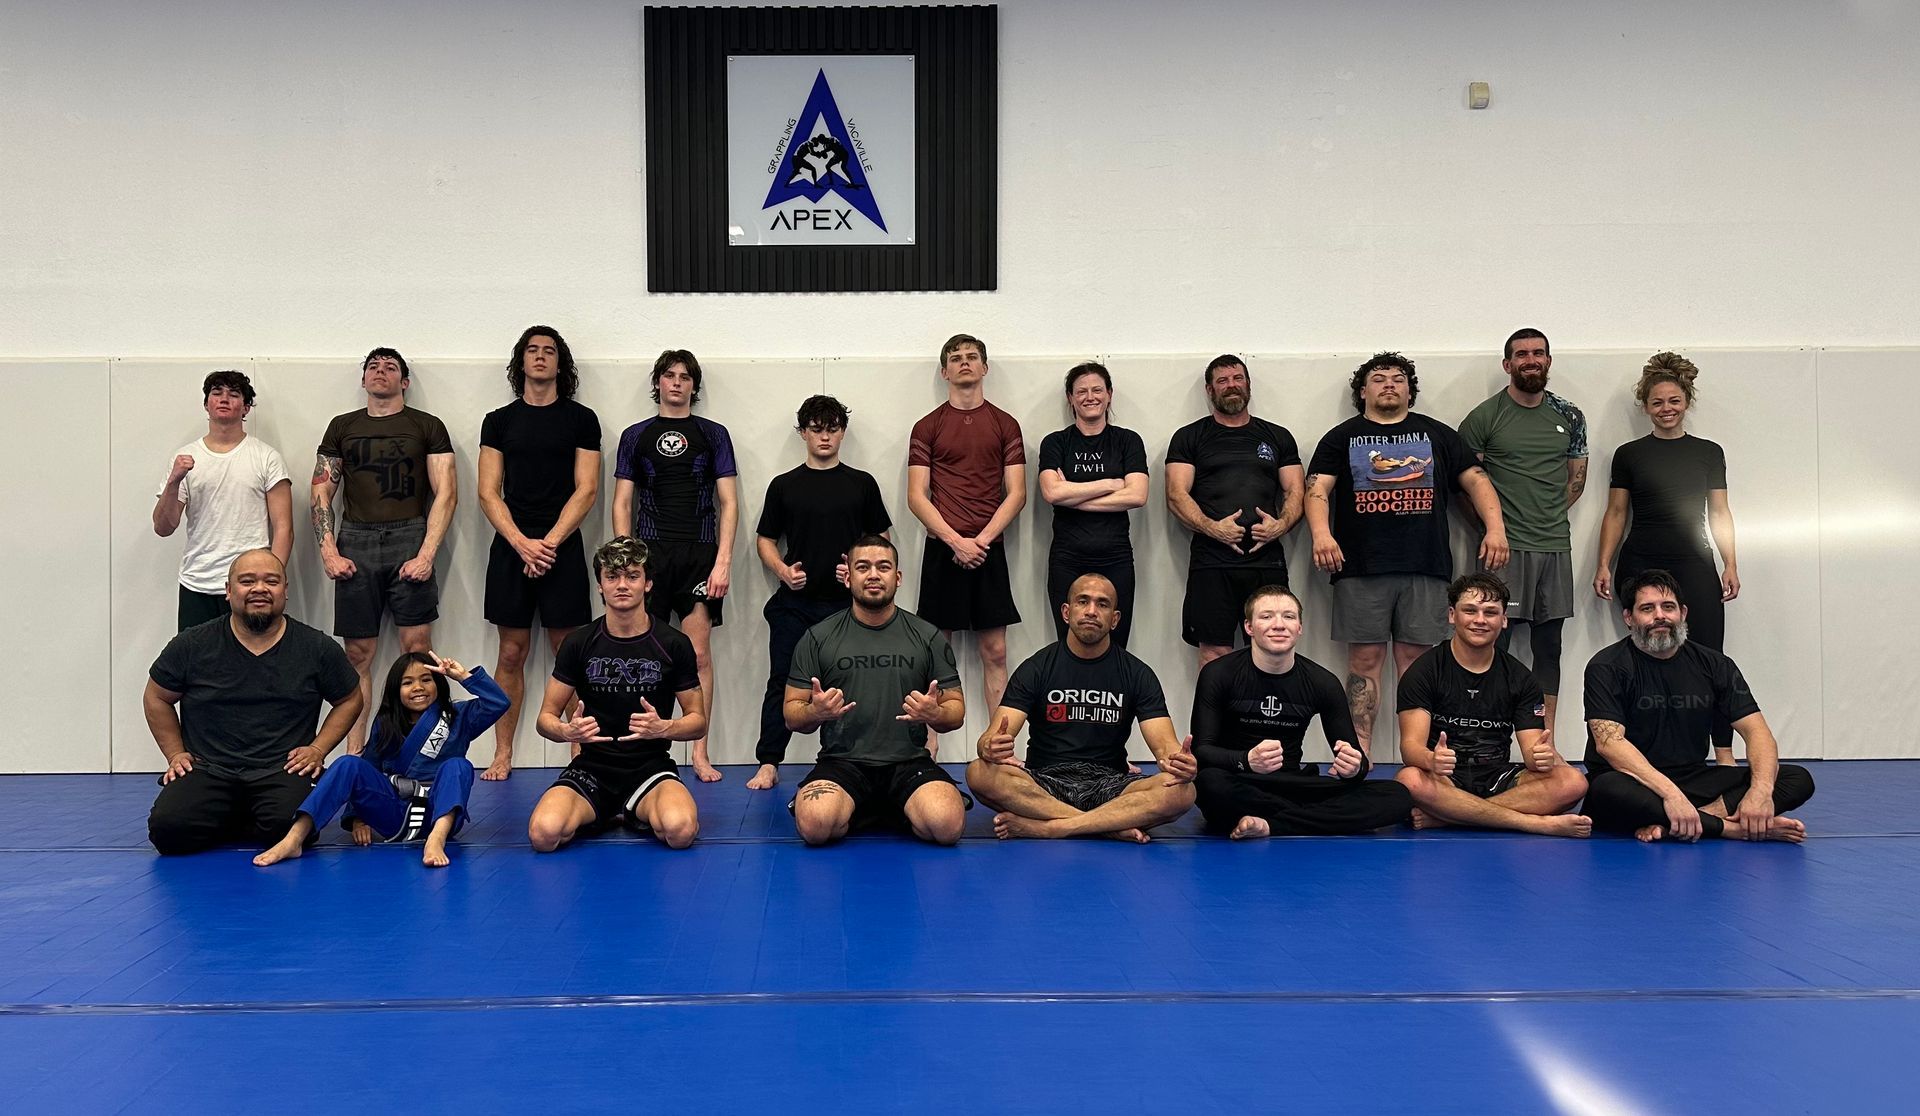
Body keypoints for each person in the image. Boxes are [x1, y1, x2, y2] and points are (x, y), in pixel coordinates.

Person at [1305, 352, 1509, 756]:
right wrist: (1321, 535)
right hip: (1360, 567)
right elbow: (1317, 488)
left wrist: (1496, 529)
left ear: (1409, 391)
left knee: (1418, 669)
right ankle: (1357, 757)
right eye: (1378, 379)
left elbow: (1476, 480)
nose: (1388, 385)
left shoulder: (1438, 434)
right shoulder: (1341, 437)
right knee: (1363, 666)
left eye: (1398, 379)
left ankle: (1418, 758)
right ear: (1363, 391)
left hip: (1425, 566)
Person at [144, 550, 363, 855]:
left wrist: (317, 749)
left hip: (282, 769)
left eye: (271, 581)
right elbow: (156, 696)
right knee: (168, 831)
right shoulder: (193, 644)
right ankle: (240, 815)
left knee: (290, 828)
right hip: (209, 768)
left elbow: (351, 698)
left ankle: (236, 817)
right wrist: (175, 754)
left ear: (285, 591)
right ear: (229, 591)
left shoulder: (316, 647)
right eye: (247, 581)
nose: (259, 589)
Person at [1582, 570, 1814, 843]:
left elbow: (1757, 732)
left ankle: (1688, 822)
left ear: (1683, 613)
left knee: (1796, 778)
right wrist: (1671, 795)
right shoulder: (1606, 666)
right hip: (1636, 782)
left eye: (1668, 607)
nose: (1660, 616)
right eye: (1647, 608)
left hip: (1694, 778)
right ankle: (1728, 828)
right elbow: (1610, 744)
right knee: (1606, 787)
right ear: (1629, 618)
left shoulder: (1716, 665)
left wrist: (1760, 793)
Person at [967, 573, 1196, 842]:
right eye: (1082, 601)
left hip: (1111, 785)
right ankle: (1106, 826)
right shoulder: (1036, 668)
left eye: (1102, 604)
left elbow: (1164, 747)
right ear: (1066, 612)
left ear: (1115, 619)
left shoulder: (1137, 674)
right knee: (979, 772)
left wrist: (1180, 763)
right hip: (1044, 781)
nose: (1091, 611)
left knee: (1183, 791)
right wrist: (989, 747)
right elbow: (989, 739)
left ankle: (1055, 827)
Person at [1594, 352, 1741, 765]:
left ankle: (1724, 753)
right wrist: (1603, 563)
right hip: (1640, 560)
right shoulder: (1629, 454)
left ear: (1687, 402)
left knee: (1711, 657)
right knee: (1643, 656)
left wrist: (1729, 563)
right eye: (1657, 403)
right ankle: (1643, 750)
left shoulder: (1709, 452)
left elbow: (1720, 513)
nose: (1666, 409)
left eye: (1674, 401)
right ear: (1645, 407)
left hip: (1695, 561)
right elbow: (1616, 513)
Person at [312, 347, 457, 753]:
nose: (381, 372)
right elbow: (322, 490)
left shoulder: (426, 425)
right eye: (373, 367)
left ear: (404, 382)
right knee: (358, 653)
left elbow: (446, 493)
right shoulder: (342, 426)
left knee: (417, 648)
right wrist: (328, 551)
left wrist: (427, 553)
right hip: (354, 540)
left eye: (390, 367)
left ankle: (420, 748)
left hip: (410, 535)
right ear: (363, 381)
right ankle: (355, 753)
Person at [784, 535, 969, 846]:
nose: (873, 575)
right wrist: (814, 712)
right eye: (863, 567)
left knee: (947, 826)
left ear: (897, 578)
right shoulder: (817, 637)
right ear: (848, 577)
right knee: (815, 826)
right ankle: (869, 807)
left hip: (908, 763)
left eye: (883, 567)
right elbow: (791, 713)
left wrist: (936, 713)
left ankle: (892, 806)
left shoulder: (927, 635)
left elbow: (957, 710)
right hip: (843, 763)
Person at [477, 326, 602, 780]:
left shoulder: (581, 419)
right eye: (532, 350)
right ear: (521, 362)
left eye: (549, 351)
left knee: (568, 651)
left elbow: (587, 490)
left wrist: (548, 543)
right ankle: (503, 751)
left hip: (561, 547)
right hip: (513, 546)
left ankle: (578, 750)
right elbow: (488, 492)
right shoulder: (499, 420)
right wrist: (521, 543)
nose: (540, 357)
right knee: (511, 652)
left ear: (560, 364)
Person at [527, 537, 706, 851]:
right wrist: (566, 731)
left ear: (647, 584)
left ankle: (631, 808)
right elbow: (544, 719)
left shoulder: (673, 643)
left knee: (680, 831)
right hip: (593, 768)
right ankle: (607, 810)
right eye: (612, 576)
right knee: (544, 835)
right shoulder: (578, 642)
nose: (622, 585)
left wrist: (665, 727)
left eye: (632, 576)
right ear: (600, 585)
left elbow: (697, 721)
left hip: (649, 767)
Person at [749, 395, 892, 790]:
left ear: (842, 433)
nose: (824, 437)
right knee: (782, 681)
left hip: (849, 608)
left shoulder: (861, 483)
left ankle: (847, 757)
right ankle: (769, 761)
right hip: (795, 604)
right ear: (803, 433)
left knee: (854, 684)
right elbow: (764, 539)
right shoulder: (784, 485)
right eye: (816, 429)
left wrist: (862, 568)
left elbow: (881, 539)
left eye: (832, 429)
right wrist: (781, 570)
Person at [1190, 587, 1411, 837]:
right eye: (1266, 616)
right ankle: (1314, 818)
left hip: (1294, 783)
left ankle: (1272, 825)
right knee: (1209, 785)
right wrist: (1246, 759)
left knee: (1398, 795)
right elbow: (1202, 751)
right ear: (1249, 627)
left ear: (1300, 628)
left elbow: (1354, 760)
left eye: (1288, 616)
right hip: (1241, 780)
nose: (1278, 625)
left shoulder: (1322, 682)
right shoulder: (1219, 673)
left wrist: (1354, 767)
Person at [253, 651, 507, 868]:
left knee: (458, 765)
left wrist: (463, 676)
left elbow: (499, 703)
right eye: (407, 683)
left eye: (426, 680)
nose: (418, 687)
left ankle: (435, 841)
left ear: (439, 684)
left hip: (439, 814)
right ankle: (294, 838)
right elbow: (367, 769)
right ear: (397, 691)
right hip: (395, 814)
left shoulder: (459, 715)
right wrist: (357, 818)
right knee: (347, 763)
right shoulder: (386, 724)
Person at [612, 350, 736, 783]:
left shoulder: (714, 434)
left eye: (686, 377)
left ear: (694, 387)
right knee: (643, 652)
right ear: (658, 383)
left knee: (698, 653)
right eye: (670, 376)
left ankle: (699, 752)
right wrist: (627, 561)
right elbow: (623, 501)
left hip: (700, 554)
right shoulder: (635, 436)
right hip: (651, 555)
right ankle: (640, 749)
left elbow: (729, 502)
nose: (678, 383)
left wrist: (722, 562)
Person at [1458, 328, 1587, 738]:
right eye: (1521, 354)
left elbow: (1576, 481)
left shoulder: (1570, 416)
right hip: (1502, 554)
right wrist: (1490, 529)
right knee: (1492, 644)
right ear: (1507, 364)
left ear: (1548, 361)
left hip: (1554, 548)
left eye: (1538, 353)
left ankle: (1543, 740)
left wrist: (1544, 517)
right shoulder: (1484, 417)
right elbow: (1463, 486)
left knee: (1549, 648)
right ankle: (1488, 736)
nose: (1530, 360)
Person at [1392, 573, 1590, 836]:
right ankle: (1531, 823)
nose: (1480, 620)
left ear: (1504, 619)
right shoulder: (1424, 671)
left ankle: (1451, 817)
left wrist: (1541, 757)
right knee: (1409, 781)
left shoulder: (1520, 678)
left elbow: (1533, 752)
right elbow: (1410, 748)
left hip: (1498, 778)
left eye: (1491, 612)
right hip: (1443, 779)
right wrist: (1431, 758)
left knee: (1573, 782)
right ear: (1452, 615)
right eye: (1470, 610)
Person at [907, 334, 1025, 751]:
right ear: (944, 371)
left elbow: (1017, 493)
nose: (964, 364)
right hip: (943, 549)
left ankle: (1000, 746)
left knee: (994, 651)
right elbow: (916, 496)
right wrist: (956, 541)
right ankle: (929, 745)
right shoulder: (927, 426)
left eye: (972, 357)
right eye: (955, 359)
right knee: (936, 652)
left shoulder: (1005, 424)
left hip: (988, 551)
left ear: (984, 367)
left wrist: (981, 540)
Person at [1166, 355, 1304, 667]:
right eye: (1223, 381)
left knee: (1273, 648)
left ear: (1248, 384)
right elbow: (1176, 495)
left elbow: (1296, 490)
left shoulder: (1277, 436)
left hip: (1266, 561)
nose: (1231, 386)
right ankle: (1214, 719)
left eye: (1237, 379)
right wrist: (1211, 526)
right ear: (1209, 389)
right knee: (1215, 654)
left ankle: (1264, 717)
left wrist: (1280, 525)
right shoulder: (1189, 437)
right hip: (1211, 563)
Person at [153, 370, 294, 631]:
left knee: (253, 663)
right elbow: (163, 527)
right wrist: (173, 481)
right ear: (206, 404)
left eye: (233, 394)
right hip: (198, 582)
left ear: (246, 407)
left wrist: (273, 580)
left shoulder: (266, 458)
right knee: (197, 667)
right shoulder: (185, 457)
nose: (224, 399)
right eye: (216, 393)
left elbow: (284, 527)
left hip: (251, 585)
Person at [1037, 362, 1149, 648]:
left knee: (1116, 642)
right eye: (1081, 391)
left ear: (1109, 394)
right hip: (1067, 559)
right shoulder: (1056, 443)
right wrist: (1111, 484)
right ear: (1070, 398)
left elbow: (1137, 495)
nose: (1090, 397)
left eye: (1097, 390)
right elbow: (1051, 492)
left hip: (1116, 558)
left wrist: (1072, 495)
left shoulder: (1127, 441)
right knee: (1069, 642)